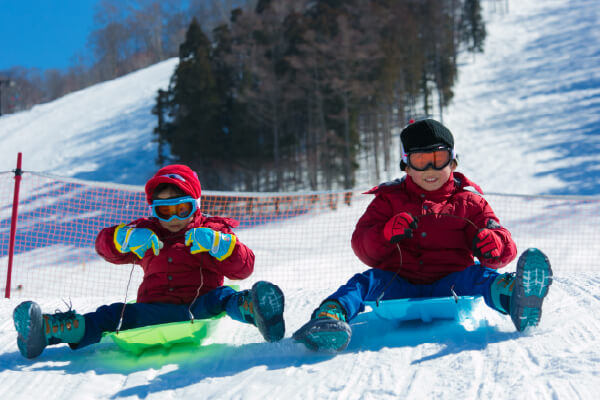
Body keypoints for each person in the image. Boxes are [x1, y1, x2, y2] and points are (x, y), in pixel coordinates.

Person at [293, 119, 552, 352]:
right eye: (420, 160)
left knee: (480, 276)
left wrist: (495, 244)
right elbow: (362, 247)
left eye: (438, 158)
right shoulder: (388, 200)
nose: (430, 168)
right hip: (397, 280)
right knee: (362, 283)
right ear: (406, 165)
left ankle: (515, 297)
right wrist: (385, 234)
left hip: (451, 280)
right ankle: (329, 318)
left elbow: (498, 241)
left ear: (452, 161)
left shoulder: (469, 202)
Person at [13, 164, 285, 359]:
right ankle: (46, 331)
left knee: (224, 296)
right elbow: (103, 246)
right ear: (154, 210)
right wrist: (124, 238)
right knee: (110, 315)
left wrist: (220, 244)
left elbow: (244, 268)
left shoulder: (211, 230)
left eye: (182, 208)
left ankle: (257, 311)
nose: (174, 217)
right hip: (152, 311)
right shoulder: (146, 234)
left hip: (199, 307)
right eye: (164, 211)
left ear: (196, 205)